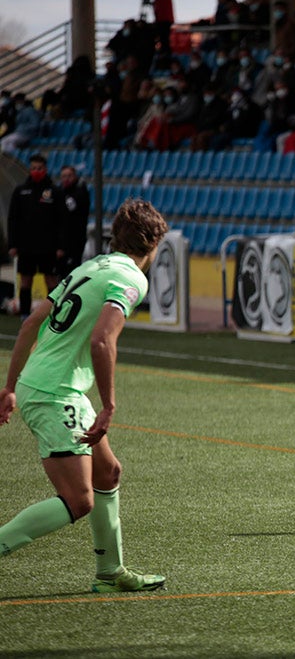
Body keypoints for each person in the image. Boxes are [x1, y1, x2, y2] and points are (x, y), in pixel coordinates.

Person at [0, 198, 169, 592]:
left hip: (46, 386)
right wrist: (109, 404)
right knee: (79, 501)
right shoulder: (132, 278)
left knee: (107, 473)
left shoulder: (90, 267)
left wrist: (10, 387)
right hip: (56, 392)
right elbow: (101, 341)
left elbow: (30, 323)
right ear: (153, 244)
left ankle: (110, 573)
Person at [8, 155, 67, 318]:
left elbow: (62, 220)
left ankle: (54, 314)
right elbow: (13, 219)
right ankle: (25, 314)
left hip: (49, 246)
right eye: (33, 168)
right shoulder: (20, 191)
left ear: (45, 169)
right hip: (26, 245)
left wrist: (61, 246)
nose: (36, 171)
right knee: (26, 281)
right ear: (29, 169)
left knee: (51, 281)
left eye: (39, 168)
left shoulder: (55, 192)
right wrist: (12, 244)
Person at [56, 165, 91, 278]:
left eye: (69, 176)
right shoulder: (59, 192)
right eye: (64, 176)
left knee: (72, 274)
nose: (66, 179)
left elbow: (72, 209)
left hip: (75, 241)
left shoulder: (80, 192)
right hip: (60, 242)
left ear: (75, 176)